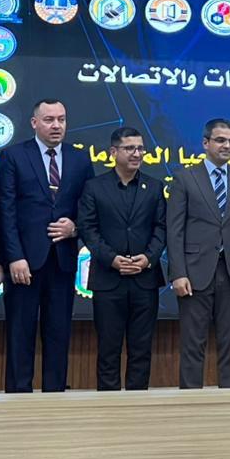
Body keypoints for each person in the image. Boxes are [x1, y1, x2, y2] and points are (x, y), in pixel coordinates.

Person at [0, 98, 94, 392]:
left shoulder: (80, 159)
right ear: (34, 123)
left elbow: (89, 208)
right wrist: (14, 256)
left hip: (62, 262)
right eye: (49, 119)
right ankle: (18, 398)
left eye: (61, 119)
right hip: (24, 262)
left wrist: (75, 227)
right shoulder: (14, 155)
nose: (56, 125)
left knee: (58, 334)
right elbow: (6, 210)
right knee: (20, 334)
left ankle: (55, 397)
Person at [166, 118, 230, 389]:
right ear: (205, 143)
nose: (227, 146)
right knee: (192, 342)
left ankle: (229, 400)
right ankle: (191, 401)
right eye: (220, 140)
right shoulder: (185, 178)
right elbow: (174, 230)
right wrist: (178, 273)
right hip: (194, 272)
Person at [76, 126, 166, 391]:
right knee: (108, 348)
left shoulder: (155, 187)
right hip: (108, 279)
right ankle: (108, 405)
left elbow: (162, 228)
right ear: (113, 152)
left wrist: (148, 258)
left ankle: (137, 404)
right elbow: (88, 229)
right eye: (129, 148)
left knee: (141, 348)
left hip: (144, 279)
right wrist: (112, 259)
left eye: (140, 148)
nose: (136, 154)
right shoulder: (94, 187)